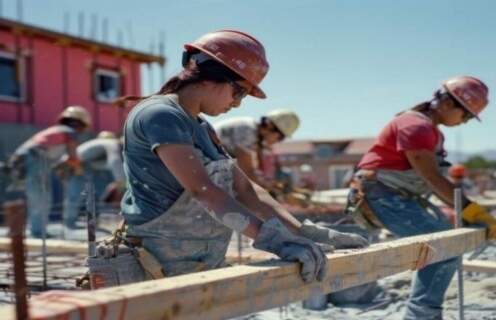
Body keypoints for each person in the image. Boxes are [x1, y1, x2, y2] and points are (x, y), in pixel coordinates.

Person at [93, 30, 367, 286]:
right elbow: (204, 191)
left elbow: (247, 190)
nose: (237, 103)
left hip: (198, 263)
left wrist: (303, 232)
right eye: (239, 91)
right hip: (155, 265)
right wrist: (273, 240)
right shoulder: (160, 115)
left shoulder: (202, 127)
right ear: (210, 75)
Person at [346, 76, 496, 319]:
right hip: (380, 195)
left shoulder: (431, 131)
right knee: (443, 249)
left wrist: (467, 211)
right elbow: (433, 179)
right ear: (449, 104)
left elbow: (434, 182)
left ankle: (424, 313)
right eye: (466, 115)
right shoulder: (415, 126)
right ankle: (421, 315)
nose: (464, 123)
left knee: (445, 242)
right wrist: (473, 211)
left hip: (397, 195)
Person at [11, 106, 90, 237]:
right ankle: (37, 232)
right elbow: (73, 156)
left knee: (37, 196)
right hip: (36, 159)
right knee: (41, 196)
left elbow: (57, 158)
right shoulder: (70, 131)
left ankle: (35, 230)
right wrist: (79, 171)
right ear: (80, 123)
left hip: (27, 160)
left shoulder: (58, 130)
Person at [215, 108, 299, 189]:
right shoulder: (247, 131)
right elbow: (247, 171)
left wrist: (265, 182)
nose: (278, 141)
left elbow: (256, 168)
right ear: (270, 126)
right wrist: (266, 186)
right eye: (281, 137)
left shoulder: (254, 133)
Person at [62, 131, 125, 229]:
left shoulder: (103, 147)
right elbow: (114, 161)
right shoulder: (112, 144)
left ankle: (93, 222)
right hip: (76, 163)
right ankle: (69, 223)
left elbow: (103, 164)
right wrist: (122, 182)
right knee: (75, 195)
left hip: (87, 166)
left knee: (94, 195)